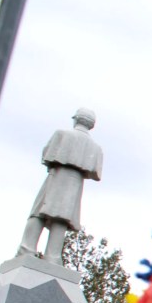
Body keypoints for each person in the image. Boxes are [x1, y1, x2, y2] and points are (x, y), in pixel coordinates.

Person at [18, 108, 103, 264]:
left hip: (56, 177)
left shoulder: (62, 135)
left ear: (76, 119)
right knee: (62, 219)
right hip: (75, 184)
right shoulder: (96, 148)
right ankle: (53, 256)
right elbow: (96, 171)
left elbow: (47, 155)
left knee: (39, 213)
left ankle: (26, 249)